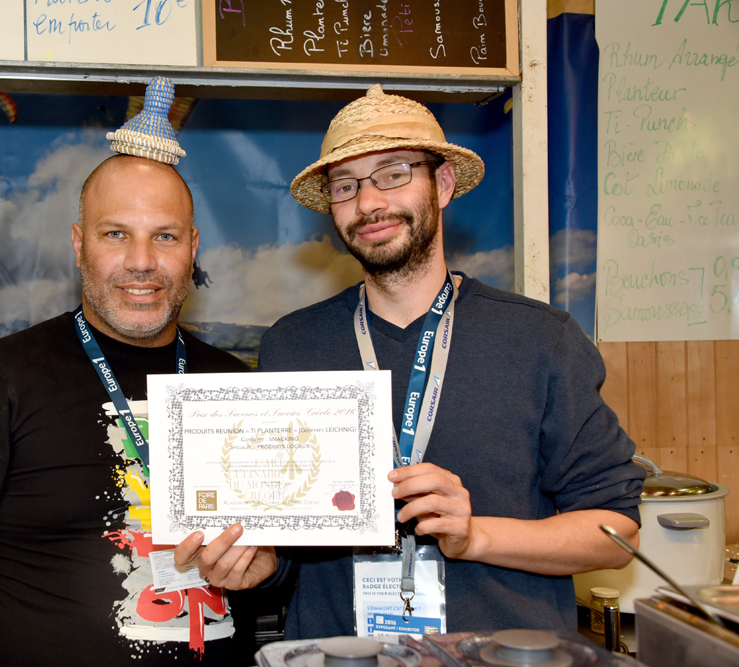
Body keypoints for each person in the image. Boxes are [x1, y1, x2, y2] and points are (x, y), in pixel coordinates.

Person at [252, 85, 646, 636]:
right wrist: (255, 562)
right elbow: (282, 542)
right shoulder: (291, 347)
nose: (368, 203)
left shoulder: (539, 339)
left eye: (393, 173)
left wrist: (475, 535)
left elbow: (616, 532)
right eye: (346, 186)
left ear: (441, 184)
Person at [0, 153, 267, 667]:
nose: (142, 260)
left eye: (165, 237)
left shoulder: (242, 387)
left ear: (192, 249)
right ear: (80, 245)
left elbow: (276, 568)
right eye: (116, 234)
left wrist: (268, 563)